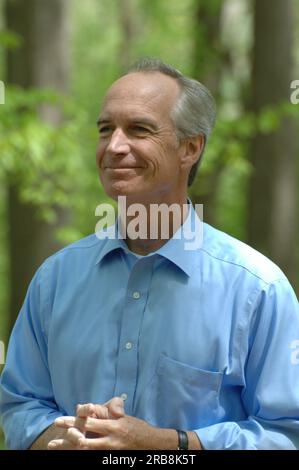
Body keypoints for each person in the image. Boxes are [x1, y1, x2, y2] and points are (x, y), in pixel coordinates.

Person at [0, 58, 299, 451]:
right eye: (105, 129)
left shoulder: (257, 289)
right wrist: (68, 441)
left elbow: (286, 433)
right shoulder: (55, 280)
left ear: (190, 148)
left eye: (139, 129)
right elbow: (20, 404)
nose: (114, 146)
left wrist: (164, 446)